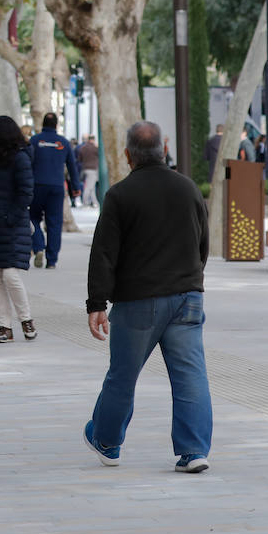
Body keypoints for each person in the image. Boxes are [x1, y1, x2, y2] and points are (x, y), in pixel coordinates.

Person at [84, 121, 213, 474]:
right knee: (191, 375)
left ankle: (107, 442)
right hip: (188, 297)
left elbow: (104, 253)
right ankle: (194, 450)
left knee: (123, 375)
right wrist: (190, 279)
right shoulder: (188, 189)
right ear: (164, 148)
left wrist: (97, 303)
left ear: (128, 155)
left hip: (139, 300)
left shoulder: (120, 195)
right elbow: (203, 245)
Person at [0, 117, 36, 343]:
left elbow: (26, 192)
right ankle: (4, 326)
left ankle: (26, 319)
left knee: (11, 274)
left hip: (11, 225)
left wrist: (10, 217)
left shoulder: (20, 159)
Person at [29, 112, 81, 269]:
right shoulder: (64, 142)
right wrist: (76, 187)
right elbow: (72, 167)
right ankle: (51, 260)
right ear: (56, 125)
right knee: (54, 223)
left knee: (33, 218)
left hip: (37, 186)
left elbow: (27, 163)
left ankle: (38, 247)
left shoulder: (35, 141)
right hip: (57, 187)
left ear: (42, 124)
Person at [77, 134, 100, 207]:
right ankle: (85, 202)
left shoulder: (83, 148)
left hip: (85, 168)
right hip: (93, 169)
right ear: (93, 140)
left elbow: (79, 159)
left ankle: (95, 202)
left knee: (91, 186)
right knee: (89, 187)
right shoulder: (95, 148)